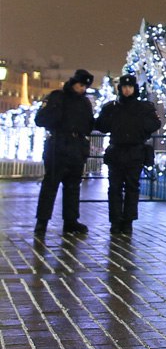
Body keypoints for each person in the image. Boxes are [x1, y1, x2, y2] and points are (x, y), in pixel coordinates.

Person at [96, 74, 162, 235]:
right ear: (120, 89)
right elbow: (101, 125)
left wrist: (139, 125)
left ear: (134, 88)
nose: (127, 90)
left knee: (132, 189)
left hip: (135, 152)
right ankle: (115, 221)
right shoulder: (112, 107)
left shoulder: (143, 107)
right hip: (116, 152)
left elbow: (155, 124)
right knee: (115, 189)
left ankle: (128, 221)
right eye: (124, 87)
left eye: (130, 87)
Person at [33, 68, 96, 236]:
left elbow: (89, 125)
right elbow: (41, 119)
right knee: (50, 185)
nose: (82, 89)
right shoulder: (57, 97)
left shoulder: (85, 103)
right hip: (58, 146)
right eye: (81, 85)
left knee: (73, 187)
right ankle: (42, 222)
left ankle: (71, 221)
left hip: (76, 147)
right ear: (74, 83)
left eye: (85, 87)